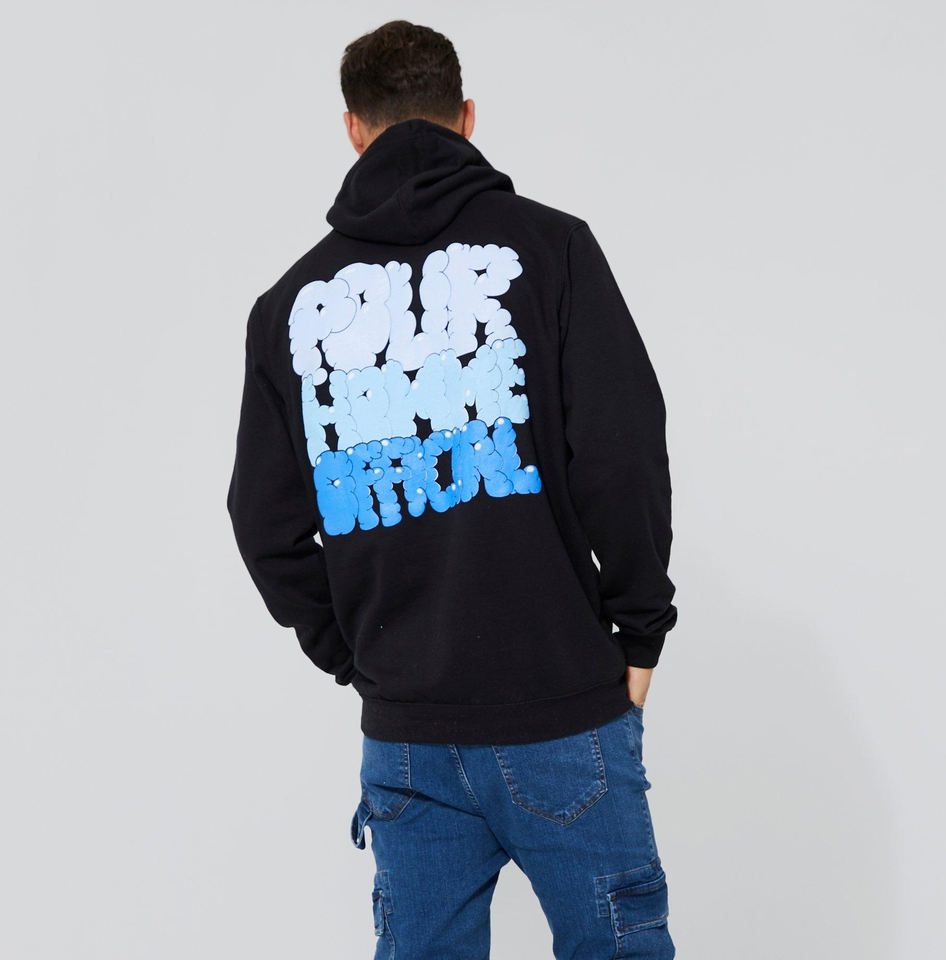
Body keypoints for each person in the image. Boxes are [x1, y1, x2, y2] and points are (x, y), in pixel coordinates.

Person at [226, 18, 678, 960]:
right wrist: (639, 625)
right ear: (467, 116)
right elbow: (621, 450)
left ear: (352, 130)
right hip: (564, 707)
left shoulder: (288, 306)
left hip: (410, 737)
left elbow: (262, 523)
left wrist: (360, 656)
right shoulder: (553, 251)